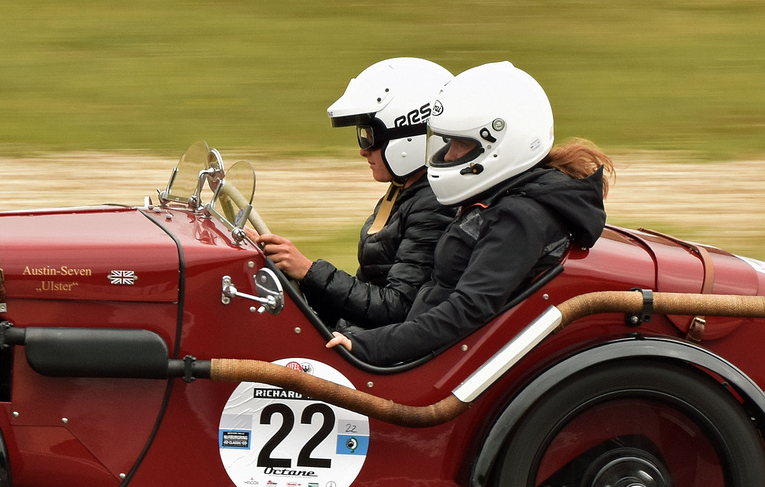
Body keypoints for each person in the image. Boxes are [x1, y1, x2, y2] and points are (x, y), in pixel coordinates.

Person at [329, 62, 611, 366]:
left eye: (461, 145)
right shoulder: (501, 201)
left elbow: (464, 311)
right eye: (447, 143)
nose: (447, 156)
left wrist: (366, 346)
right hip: (419, 348)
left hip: (433, 366)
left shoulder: (520, 217)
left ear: (500, 144)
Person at [252, 58, 456, 332]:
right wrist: (291, 268)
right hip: (361, 334)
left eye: (368, 137)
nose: (362, 150)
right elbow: (368, 292)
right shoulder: (404, 190)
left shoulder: (433, 205)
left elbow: (396, 308)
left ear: (408, 135)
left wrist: (308, 271)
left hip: (378, 352)